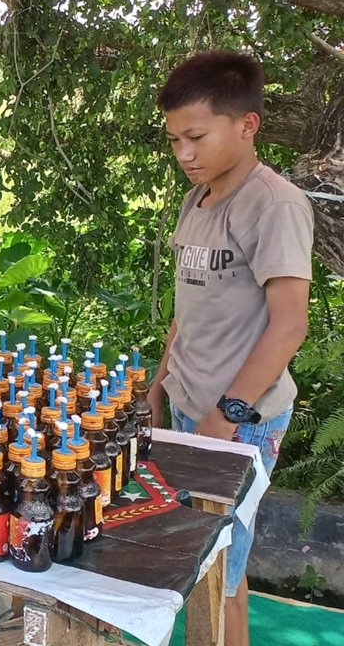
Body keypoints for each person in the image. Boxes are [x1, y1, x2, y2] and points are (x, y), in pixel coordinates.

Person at [149, 51, 312, 646]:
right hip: (195, 408)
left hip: (240, 419)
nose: (184, 154)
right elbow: (189, 309)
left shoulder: (275, 204)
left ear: (247, 125)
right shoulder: (200, 198)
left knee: (218, 570)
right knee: (214, 564)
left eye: (196, 136)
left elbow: (288, 326)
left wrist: (227, 417)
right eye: (174, 141)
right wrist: (158, 385)